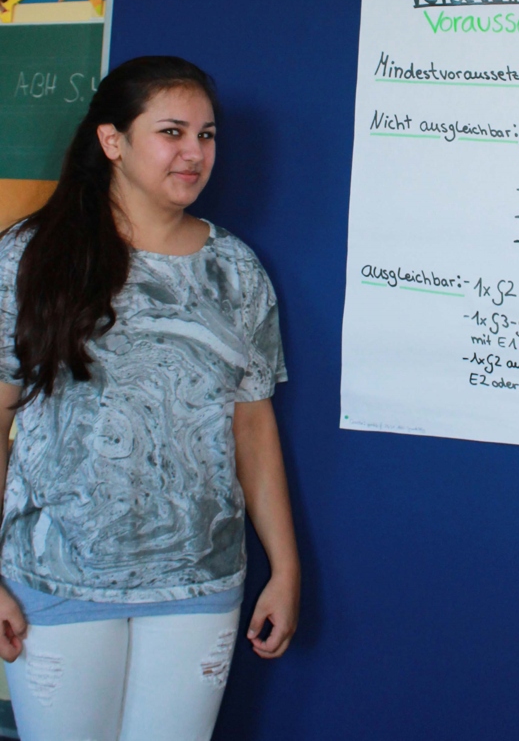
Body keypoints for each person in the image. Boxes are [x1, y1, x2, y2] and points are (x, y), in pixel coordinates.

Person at [0, 56, 301, 740]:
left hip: (198, 584)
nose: (194, 153)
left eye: (207, 135)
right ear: (113, 141)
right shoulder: (30, 258)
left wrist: (285, 569)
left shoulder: (236, 271)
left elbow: (253, 428)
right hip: (56, 577)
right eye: (172, 132)